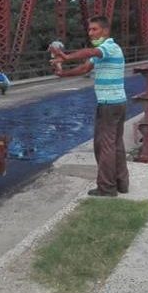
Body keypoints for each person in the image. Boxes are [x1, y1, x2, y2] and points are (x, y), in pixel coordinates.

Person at [50, 16, 129, 197]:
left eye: (95, 29)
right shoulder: (104, 52)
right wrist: (63, 74)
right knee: (116, 145)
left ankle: (107, 188)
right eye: (90, 30)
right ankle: (121, 184)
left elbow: (90, 53)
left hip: (109, 104)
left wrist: (67, 56)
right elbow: (84, 68)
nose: (91, 33)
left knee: (104, 147)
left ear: (105, 31)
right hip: (116, 103)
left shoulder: (109, 47)